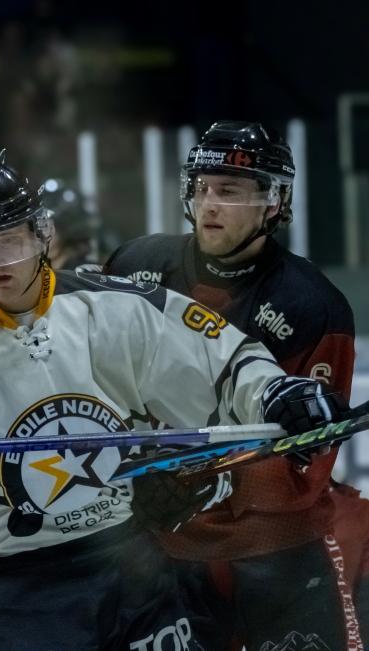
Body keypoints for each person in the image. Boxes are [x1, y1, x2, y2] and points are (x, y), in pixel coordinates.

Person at [0, 149, 353, 651]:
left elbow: (222, 362)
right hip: (17, 588)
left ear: (40, 234)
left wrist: (274, 393)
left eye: (9, 240)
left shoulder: (115, 307)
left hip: (133, 563)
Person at [104, 120, 369, 650]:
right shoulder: (134, 267)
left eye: (229, 191)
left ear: (274, 202)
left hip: (276, 554)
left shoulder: (312, 306)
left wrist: (209, 480)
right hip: (162, 554)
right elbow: (100, 392)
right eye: (202, 188)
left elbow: (307, 459)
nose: (210, 204)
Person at [38, 178, 99, 271]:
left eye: (47, 229)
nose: (39, 238)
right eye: (36, 230)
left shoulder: (87, 273)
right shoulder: (33, 274)